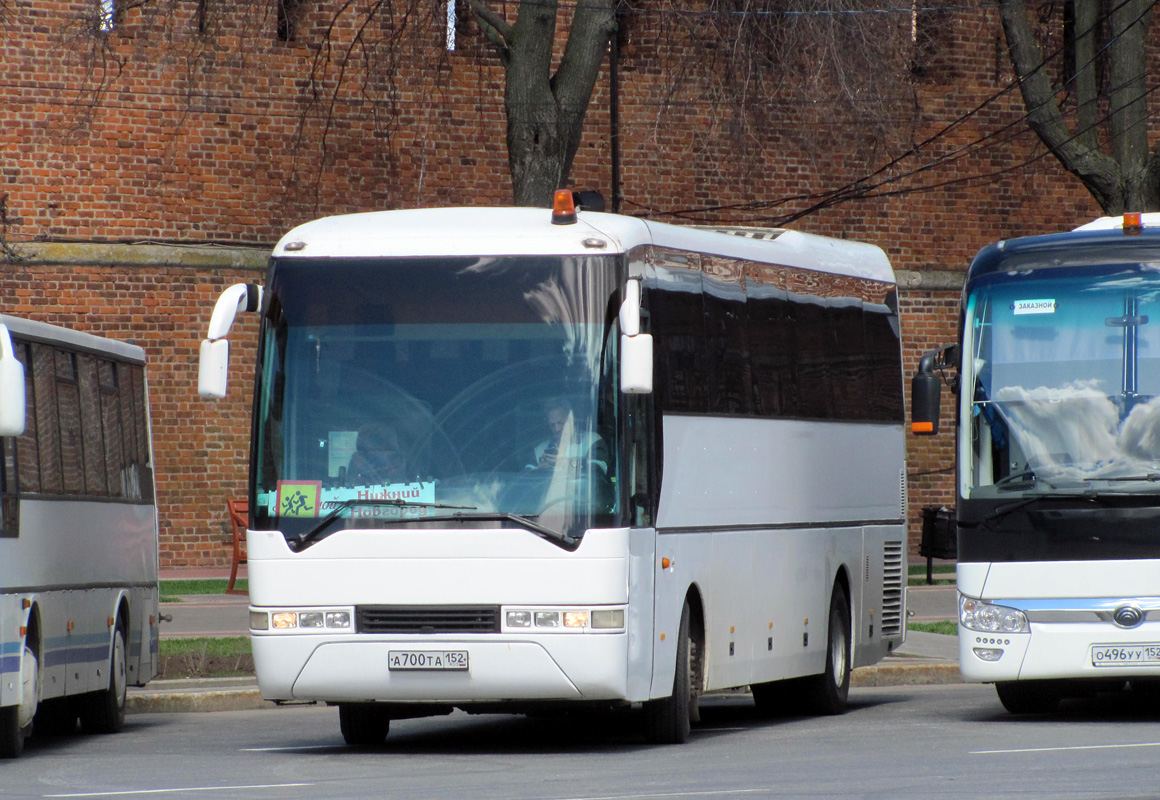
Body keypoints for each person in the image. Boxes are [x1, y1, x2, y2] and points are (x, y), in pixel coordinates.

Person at [528, 398, 608, 475]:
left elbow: (598, 470)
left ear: (572, 420)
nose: (557, 428)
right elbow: (523, 477)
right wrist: (538, 470)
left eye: (561, 423)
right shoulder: (539, 450)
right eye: (552, 425)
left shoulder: (591, 441)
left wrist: (566, 463)